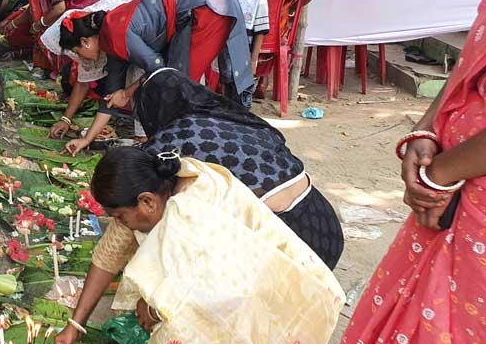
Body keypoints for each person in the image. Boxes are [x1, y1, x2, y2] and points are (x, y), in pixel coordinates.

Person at [308, 0, 486, 344]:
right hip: (448, 204)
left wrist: (437, 176)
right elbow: (474, 64)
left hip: (471, 219)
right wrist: (426, 129)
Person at [54, 149, 345, 344]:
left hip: (282, 295)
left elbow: (218, 290)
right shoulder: (172, 179)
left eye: (119, 216)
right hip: (276, 291)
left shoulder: (189, 217)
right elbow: (111, 252)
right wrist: (76, 324)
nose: (121, 224)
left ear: (146, 202)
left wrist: (155, 310)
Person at [139, 67, 343, 267]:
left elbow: (137, 183)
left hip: (289, 252)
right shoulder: (231, 117)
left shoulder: (171, 140)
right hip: (327, 230)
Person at [52, 0, 253, 154]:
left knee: (181, 85)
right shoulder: (109, 41)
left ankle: (196, 146)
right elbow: (110, 101)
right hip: (189, 11)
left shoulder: (117, 33)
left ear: (85, 41)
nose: (80, 58)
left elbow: (159, 70)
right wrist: (87, 140)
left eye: (77, 52)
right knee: (174, 88)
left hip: (205, 9)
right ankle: (178, 142)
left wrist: (127, 91)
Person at [9, 0, 111, 75]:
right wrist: (14, 24)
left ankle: (71, 68)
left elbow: (59, 9)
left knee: (69, 26)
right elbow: (35, 8)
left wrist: (39, 24)